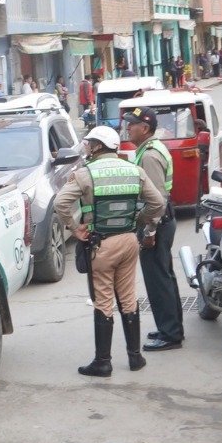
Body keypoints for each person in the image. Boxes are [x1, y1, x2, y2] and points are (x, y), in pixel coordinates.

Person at [54, 126, 165, 378]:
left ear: (97, 146)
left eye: (90, 143)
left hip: (100, 244)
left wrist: (74, 229)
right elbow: (157, 203)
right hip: (128, 241)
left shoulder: (85, 174)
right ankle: (135, 357)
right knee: (128, 297)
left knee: (103, 300)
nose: (88, 147)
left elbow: (61, 203)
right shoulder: (135, 170)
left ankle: (103, 362)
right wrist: (139, 221)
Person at [123, 108, 181, 353]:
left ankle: (170, 334)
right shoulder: (149, 149)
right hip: (162, 221)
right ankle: (171, 328)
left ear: (144, 128)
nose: (128, 128)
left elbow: (157, 198)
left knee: (158, 281)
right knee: (164, 276)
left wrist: (149, 231)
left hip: (157, 223)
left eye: (132, 124)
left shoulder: (149, 155)